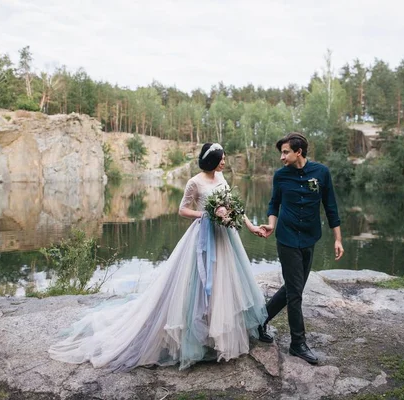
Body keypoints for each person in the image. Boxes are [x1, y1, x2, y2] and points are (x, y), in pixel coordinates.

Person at [49, 143, 268, 371]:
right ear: (213, 160)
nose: (224, 161)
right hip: (203, 236)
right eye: (222, 158)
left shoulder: (222, 178)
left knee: (224, 283)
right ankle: (197, 337)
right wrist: (207, 213)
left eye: (224, 157)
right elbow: (182, 210)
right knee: (199, 285)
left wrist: (251, 227)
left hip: (225, 238)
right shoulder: (195, 182)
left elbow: (234, 207)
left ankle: (219, 336)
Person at [258, 132, 343, 365]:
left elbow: (331, 206)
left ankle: (259, 319)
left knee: (293, 288)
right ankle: (297, 343)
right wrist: (272, 225)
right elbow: (274, 203)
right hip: (286, 238)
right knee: (296, 293)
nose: (282, 157)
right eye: (281, 153)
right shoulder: (280, 176)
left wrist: (338, 239)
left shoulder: (321, 173)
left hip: (309, 238)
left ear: (299, 152)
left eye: (285, 152)